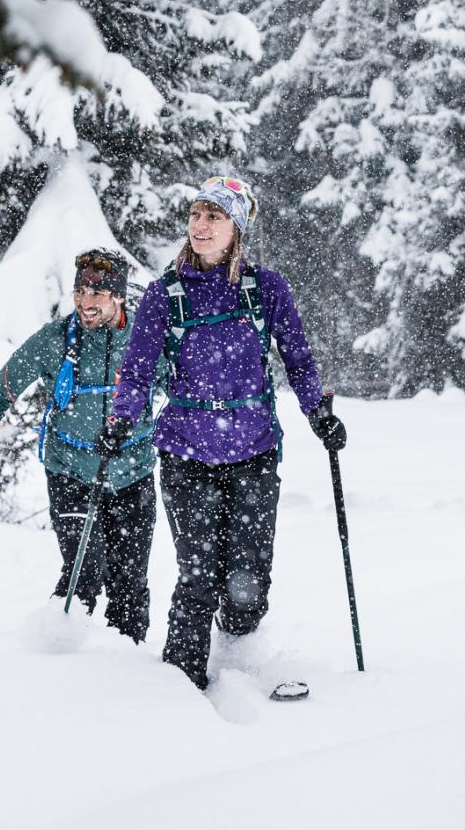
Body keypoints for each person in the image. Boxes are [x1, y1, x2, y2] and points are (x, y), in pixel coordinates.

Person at [106, 177, 346, 690]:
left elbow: (298, 361)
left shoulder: (265, 289)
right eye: (195, 215)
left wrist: (317, 412)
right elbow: (137, 370)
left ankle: (237, 651)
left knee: (246, 585)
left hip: (254, 450)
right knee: (197, 576)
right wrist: (122, 417)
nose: (200, 226)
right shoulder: (163, 295)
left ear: (235, 228)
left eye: (213, 216)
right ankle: (180, 687)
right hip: (185, 452)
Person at [0, 248, 157, 642]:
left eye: (97, 294)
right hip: (70, 473)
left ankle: (128, 674)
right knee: (84, 571)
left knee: (130, 583)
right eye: (80, 291)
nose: (85, 302)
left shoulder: (144, 340)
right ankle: (58, 660)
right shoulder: (56, 340)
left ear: (120, 296)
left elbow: (183, 391)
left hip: (134, 475)